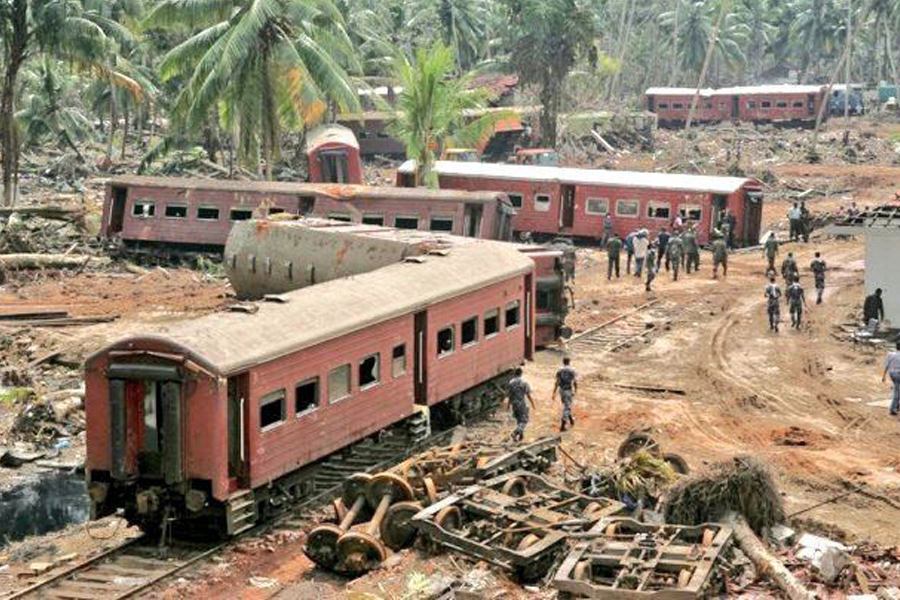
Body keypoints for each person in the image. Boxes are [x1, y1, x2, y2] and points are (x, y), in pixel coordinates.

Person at [506, 368, 535, 442]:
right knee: (524, 420)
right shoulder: (524, 382)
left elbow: (510, 395)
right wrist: (532, 403)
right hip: (521, 402)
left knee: (519, 419)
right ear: (521, 373)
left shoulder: (511, 382)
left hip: (514, 403)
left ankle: (521, 436)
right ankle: (515, 433)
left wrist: (508, 405)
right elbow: (528, 394)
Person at [552, 357, 578, 431]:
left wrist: (554, 392)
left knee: (566, 405)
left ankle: (571, 420)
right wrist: (576, 390)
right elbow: (575, 381)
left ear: (563, 362)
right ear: (569, 362)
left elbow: (557, 382)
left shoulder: (559, 370)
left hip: (561, 391)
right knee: (567, 407)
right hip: (568, 390)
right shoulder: (572, 370)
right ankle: (563, 425)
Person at [883, 341, 900, 416]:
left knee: (897, 389)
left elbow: (886, 365)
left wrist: (883, 376)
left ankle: (896, 406)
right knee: (896, 391)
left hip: (892, 374)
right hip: (898, 374)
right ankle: (893, 409)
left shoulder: (890, 354)